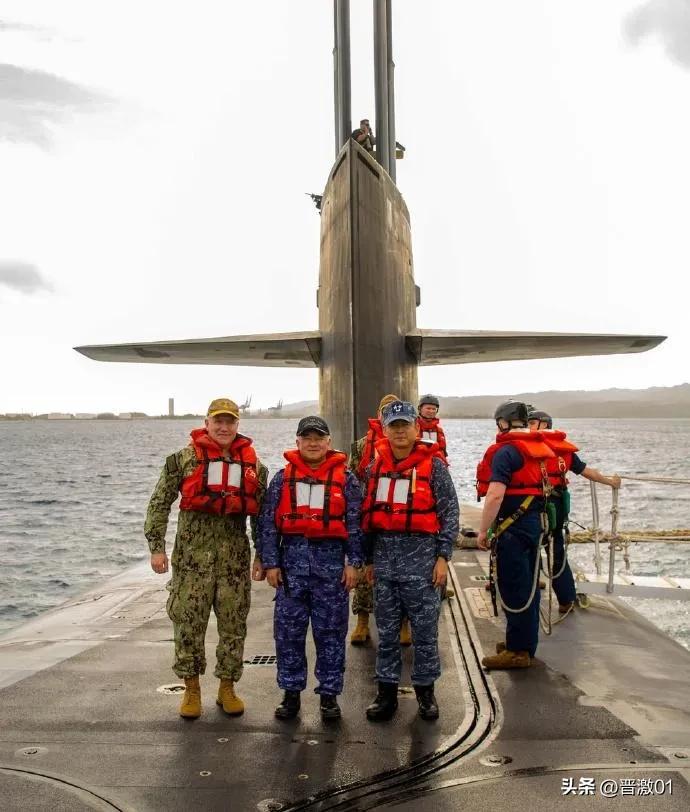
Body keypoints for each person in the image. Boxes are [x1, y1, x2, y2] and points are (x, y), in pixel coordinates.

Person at [145, 398, 267, 718]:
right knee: (187, 625)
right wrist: (156, 547)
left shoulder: (254, 466)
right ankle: (192, 689)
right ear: (207, 423)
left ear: (238, 425)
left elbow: (262, 517)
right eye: (218, 422)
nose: (224, 427)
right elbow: (159, 503)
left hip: (234, 563)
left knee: (233, 626)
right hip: (191, 562)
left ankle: (227, 687)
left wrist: (262, 555)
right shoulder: (182, 460)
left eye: (230, 422)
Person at [257, 416, 363, 721]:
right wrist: (271, 564)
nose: (313, 443)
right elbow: (268, 524)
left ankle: (329, 696)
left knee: (331, 635)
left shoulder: (347, 479)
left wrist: (353, 563)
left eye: (319, 437)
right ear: (298, 442)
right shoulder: (281, 479)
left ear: (328, 442)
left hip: (331, 574)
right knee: (288, 635)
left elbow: (355, 525)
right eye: (307, 438)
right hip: (291, 573)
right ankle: (290, 694)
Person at [362, 400, 459, 721]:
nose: (400, 431)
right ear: (385, 430)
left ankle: (426, 694)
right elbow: (367, 519)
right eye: (394, 425)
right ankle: (385, 694)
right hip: (386, 566)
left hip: (423, 566)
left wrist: (443, 557)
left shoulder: (435, 469)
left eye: (405, 424)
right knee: (387, 635)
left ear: (417, 429)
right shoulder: (374, 469)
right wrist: (367, 560)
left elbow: (449, 515)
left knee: (425, 634)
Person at [476, 401, 555, 670]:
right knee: (529, 586)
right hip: (534, 524)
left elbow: (495, 495)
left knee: (514, 587)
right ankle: (522, 643)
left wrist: (484, 530)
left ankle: (518, 651)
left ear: (503, 422)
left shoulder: (507, 452)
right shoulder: (538, 449)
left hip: (512, 528)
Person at [528, 408, 621, 614]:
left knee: (553, 550)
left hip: (543, 506)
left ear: (545, 424)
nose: (529, 426)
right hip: (544, 505)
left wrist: (610, 482)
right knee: (536, 548)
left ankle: (563, 599)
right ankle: (552, 594)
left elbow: (587, 472)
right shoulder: (553, 450)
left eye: (533, 422)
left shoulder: (534, 449)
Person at [348, 393, 412, 647]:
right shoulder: (361, 446)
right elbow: (352, 478)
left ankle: (403, 624)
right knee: (364, 574)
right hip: (369, 516)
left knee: (402, 575)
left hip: (399, 518)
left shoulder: (409, 447)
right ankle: (362, 622)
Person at [417, 394, 448, 462]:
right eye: (428, 408)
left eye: (434, 409)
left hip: (436, 464)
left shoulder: (439, 431)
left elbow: (443, 452)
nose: (431, 411)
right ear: (420, 409)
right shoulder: (413, 428)